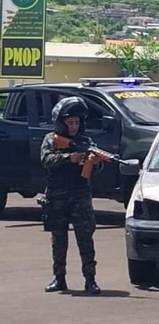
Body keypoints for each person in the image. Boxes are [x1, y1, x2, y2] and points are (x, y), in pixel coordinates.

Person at [40, 97, 101, 295]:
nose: (74, 126)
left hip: (80, 195)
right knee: (59, 239)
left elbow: (96, 170)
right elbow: (46, 159)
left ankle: (90, 280)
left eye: (77, 122)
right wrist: (69, 158)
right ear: (62, 123)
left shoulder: (86, 142)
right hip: (57, 195)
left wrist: (93, 161)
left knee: (85, 238)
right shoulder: (51, 139)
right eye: (70, 123)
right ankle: (59, 278)